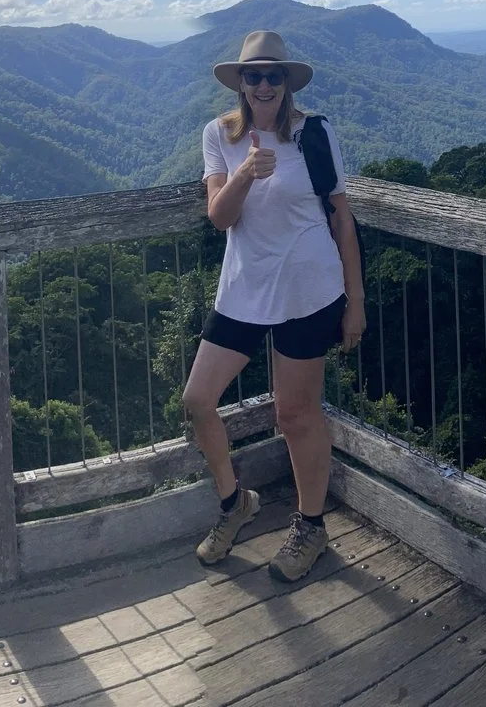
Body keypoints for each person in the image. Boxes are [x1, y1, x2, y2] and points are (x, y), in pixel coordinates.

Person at [183, 31, 367, 582]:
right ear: (240, 83)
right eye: (253, 76)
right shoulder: (219, 135)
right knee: (197, 400)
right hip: (243, 289)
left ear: (287, 83)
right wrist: (245, 171)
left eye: (273, 76)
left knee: (295, 415)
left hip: (310, 289)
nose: (262, 85)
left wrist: (355, 303)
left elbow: (340, 216)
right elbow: (220, 216)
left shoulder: (314, 134)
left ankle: (310, 526)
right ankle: (234, 501)